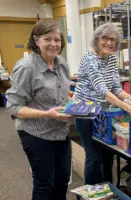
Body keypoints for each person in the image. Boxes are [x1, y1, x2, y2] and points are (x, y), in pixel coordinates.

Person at [73, 23, 131, 185]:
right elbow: (102, 90)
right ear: (97, 39)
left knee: (107, 154)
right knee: (93, 156)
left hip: (102, 111)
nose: (109, 43)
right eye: (105, 38)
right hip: (84, 109)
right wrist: (128, 107)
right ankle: (91, 193)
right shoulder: (89, 59)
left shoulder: (112, 59)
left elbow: (115, 88)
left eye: (113, 40)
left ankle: (107, 191)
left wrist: (130, 97)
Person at [6, 19, 72, 200]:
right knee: (45, 184)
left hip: (60, 132)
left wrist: (73, 107)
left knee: (62, 180)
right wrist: (47, 114)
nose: (53, 44)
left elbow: (62, 95)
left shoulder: (62, 63)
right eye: (47, 39)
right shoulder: (26, 67)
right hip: (36, 134)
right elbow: (13, 106)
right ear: (36, 40)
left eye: (57, 40)